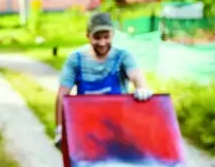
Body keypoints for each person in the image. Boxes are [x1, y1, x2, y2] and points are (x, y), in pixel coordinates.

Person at [54, 12, 153, 147]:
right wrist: (60, 129)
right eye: (97, 37)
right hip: (86, 128)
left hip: (119, 127)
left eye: (106, 37)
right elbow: (62, 94)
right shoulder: (75, 59)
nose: (102, 43)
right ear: (88, 36)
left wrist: (142, 88)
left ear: (113, 35)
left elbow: (136, 75)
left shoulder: (122, 56)